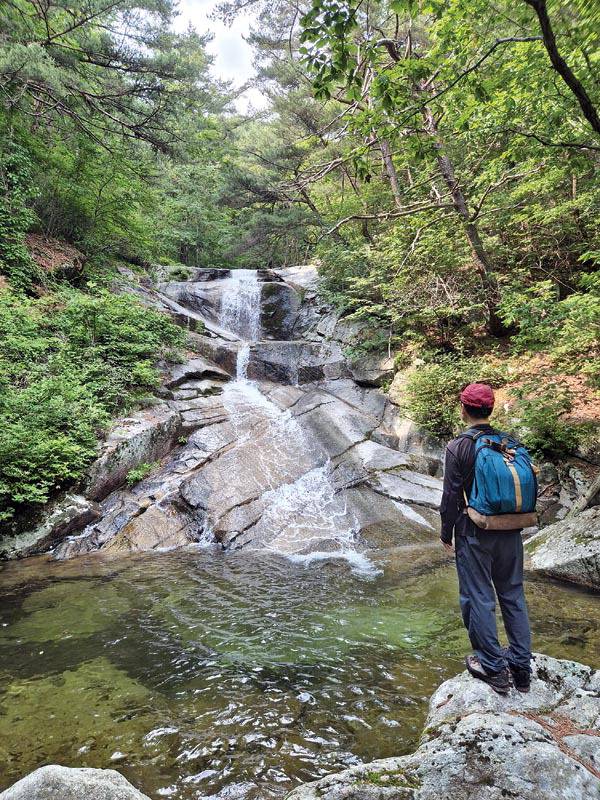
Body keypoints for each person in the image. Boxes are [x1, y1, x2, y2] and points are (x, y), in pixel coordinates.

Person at [440, 382, 532, 695]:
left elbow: (451, 495)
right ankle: (520, 667)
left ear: (463, 409)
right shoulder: (509, 442)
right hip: (511, 530)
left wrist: (445, 532)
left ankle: (493, 668)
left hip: (474, 531)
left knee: (477, 597)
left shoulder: (459, 446)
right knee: (512, 595)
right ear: (490, 408)